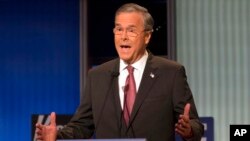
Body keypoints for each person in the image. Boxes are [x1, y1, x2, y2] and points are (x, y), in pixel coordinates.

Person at [36, 3, 204, 141]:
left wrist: (189, 130)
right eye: (119, 29)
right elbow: (82, 126)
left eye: (131, 30)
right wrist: (57, 135)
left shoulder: (171, 73)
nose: (123, 36)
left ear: (147, 37)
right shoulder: (98, 75)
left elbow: (196, 125)